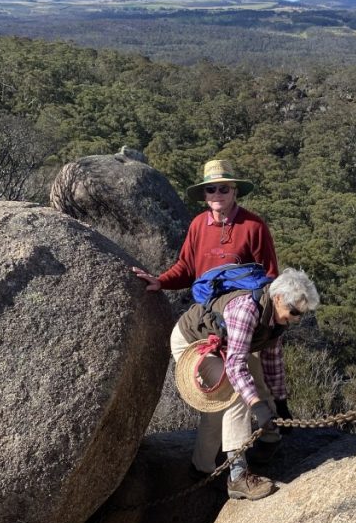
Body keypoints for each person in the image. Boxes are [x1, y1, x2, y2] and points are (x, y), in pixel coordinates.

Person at [170, 268, 320, 500]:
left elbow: (272, 361)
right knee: (235, 394)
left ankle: (201, 468)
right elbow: (236, 366)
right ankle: (238, 476)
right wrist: (257, 406)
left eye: (301, 314)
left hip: (223, 345)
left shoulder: (276, 319)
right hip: (192, 342)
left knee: (221, 407)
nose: (296, 319)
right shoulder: (247, 310)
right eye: (294, 312)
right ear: (278, 298)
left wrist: (280, 403)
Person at [131, 158, 278, 292]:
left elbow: (269, 275)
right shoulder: (198, 224)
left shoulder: (253, 226)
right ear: (205, 195)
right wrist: (160, 281)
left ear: (235, 192)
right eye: (211, 189)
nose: (217, 194)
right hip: (206, 309)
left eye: (224, 188)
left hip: (242, 312)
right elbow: (187, 268)